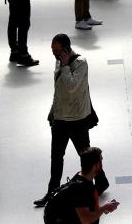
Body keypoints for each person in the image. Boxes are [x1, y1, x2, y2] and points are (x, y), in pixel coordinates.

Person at [34, 34, 109, 207]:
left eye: (56, 48)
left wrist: (66, 66)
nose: (53, 51)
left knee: (86, 156)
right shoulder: (59, 62)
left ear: (66, 48)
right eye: (52, 48)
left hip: (77, 120)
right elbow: (59, 90)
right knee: (56, 157)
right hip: (60, 119)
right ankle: (52, 191)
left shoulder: (80, 63)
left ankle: (101, 182)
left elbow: (72, 88)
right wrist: (53, 111)